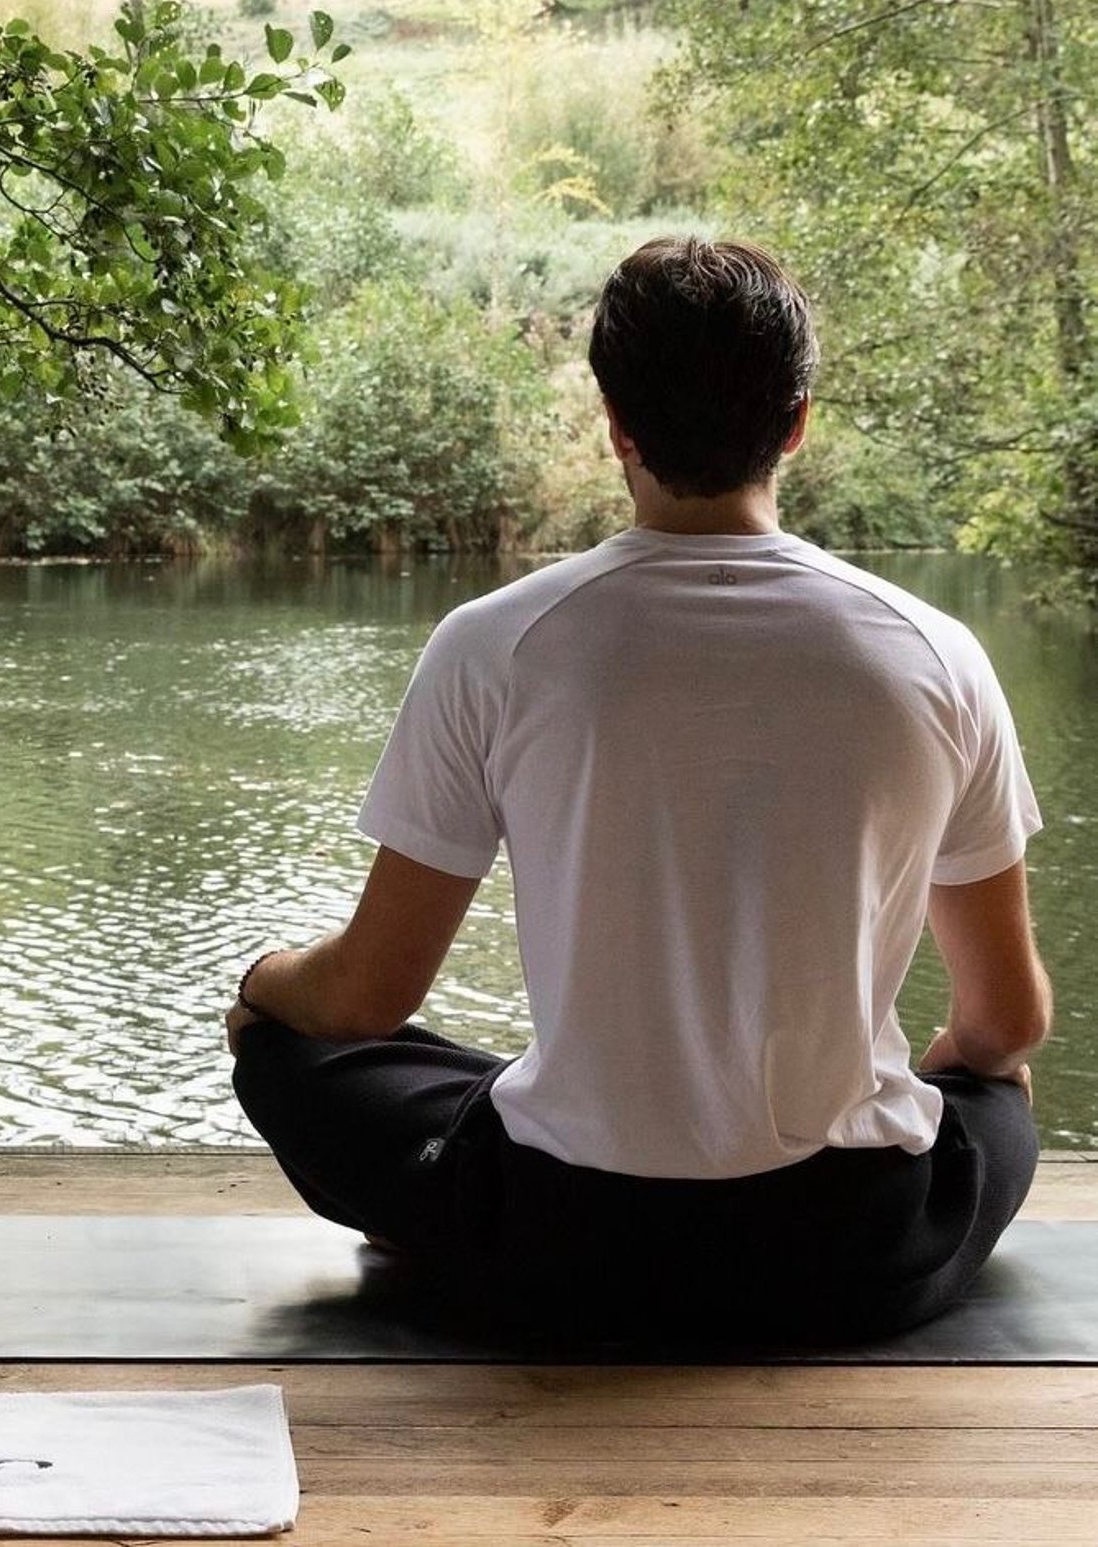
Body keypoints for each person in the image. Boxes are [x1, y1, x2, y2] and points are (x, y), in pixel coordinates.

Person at [228, 235, 1051, 1349]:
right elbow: (1005, 1022)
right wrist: (956, 1063)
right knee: (998, 1097)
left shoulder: (495, 644)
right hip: (855, 1250)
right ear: (797, 421)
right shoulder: (936, 653)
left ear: (617, 423)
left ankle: (444, 1217)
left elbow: (366, 997)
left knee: (290, 1049)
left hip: (566, 1245)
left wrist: (261, 980)